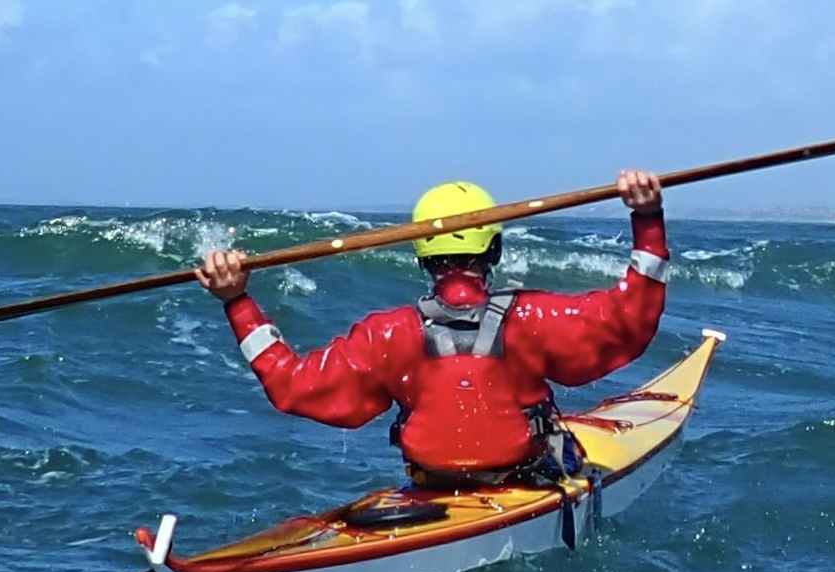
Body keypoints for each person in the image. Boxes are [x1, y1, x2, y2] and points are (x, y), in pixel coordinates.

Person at [193, 169, 668, 488]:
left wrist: (236, 301)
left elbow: (292, 385)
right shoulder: (533, 319)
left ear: (421, 254)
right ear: (495, 251)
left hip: (428, 490)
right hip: (521, 486)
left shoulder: (387, 334)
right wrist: (647, 219)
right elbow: (629, 318)